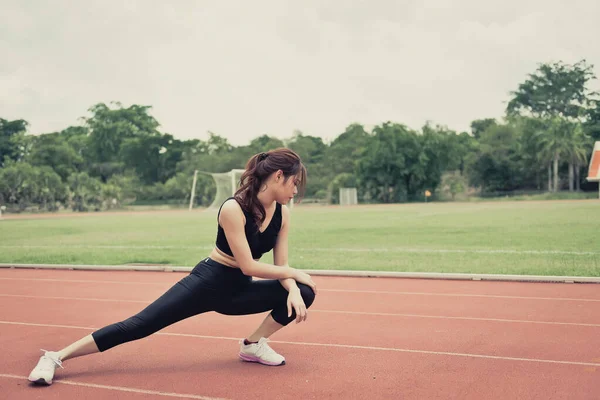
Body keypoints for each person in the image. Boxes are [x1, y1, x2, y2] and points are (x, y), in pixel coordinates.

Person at [28, 148, 317, 385]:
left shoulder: (283, 214)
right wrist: (291, 275)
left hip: (238, 292)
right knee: (139, 325)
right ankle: (55, 356)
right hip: (207, 283)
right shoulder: (233, 208)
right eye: (294, 183)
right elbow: (247, 266)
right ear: (279, 176)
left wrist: (291, 286)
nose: (295, 191)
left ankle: (252, 345)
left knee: (304, 292)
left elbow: (282, 265)